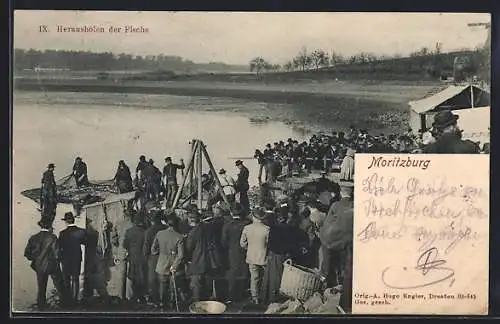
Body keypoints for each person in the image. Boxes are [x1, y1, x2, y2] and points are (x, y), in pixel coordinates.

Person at [318, 182, 354, 290]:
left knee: (327, 262)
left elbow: (327, 223)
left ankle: (324, 281)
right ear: (351, 193)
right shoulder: (355, 206)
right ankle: (341, 283)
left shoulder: (335, 205)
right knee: (343, 264)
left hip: (331, 240)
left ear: (341, 193)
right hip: (347, 242)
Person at [24, 220, 66, 310]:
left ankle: (41, 305)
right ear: (50, 227)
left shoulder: (33, 238)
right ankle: (64, 303)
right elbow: (57, 254)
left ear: (41, 227)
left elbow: (27, 254)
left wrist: (36, 258)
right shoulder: (53, 237)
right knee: (59, 284)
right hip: (52, 265)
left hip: (39, 266)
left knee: (41, 286)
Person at [185, 210, 223, 302]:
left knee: (196, 285)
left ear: (191, 220)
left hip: (198, 262)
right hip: (211, 261)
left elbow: (189, 248)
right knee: (208, 285)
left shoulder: (194, 232)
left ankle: (197, 304)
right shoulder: (209, 227)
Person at [151, 213, 185, 310]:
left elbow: (153, 250)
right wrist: (174, 265)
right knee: (173, 289)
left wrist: (161, 252)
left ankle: (162, 306)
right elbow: (181, 255)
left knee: (162, 287)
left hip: (161, 264)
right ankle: (173, 307)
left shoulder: (159, 234)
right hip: (174, 266)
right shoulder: (179, 237)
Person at [221, 203, 251, 303]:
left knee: (232, 273)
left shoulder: (227, 226)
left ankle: (232, 295)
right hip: (244, 251)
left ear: (231, 212)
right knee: (243, 271)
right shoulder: (247, 224)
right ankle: (241, 292)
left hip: (231, 252)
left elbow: (223, 242)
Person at [240, 207, 270, 305]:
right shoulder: (267, 229)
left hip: (251, 256)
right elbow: (269, 243)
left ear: (253, 217)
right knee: (265, 277)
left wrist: (248, 248)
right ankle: (265, 295)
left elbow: (242, 244)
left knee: (254, 277)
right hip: (264, 256)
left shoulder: (247, 228)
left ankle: (255, 297)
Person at [58, 212, 86, 306]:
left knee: (66, 280)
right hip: (76, 259)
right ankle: (74, 300)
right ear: (73, 220)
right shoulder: (81, 231)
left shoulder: (62, 233)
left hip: (65, 260)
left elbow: (59, 247)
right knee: (75, 279)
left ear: (66, 222)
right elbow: (87, 242)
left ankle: (67, 300)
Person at [142, 211, 167, 305]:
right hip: (165, 256)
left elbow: (146, 247)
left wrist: (145, 256)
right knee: (163, 279)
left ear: (152, 220)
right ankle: (164, 300)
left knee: (153, 279)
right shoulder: (166, 228)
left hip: (153, 258)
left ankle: (156, 300)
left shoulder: (149, 231)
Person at [123, 214, 148, 303]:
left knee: (132, 277)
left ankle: (133, 296)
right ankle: (140, 296)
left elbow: (124, 245)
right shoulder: (145, 231)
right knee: (141, 277)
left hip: (132, 257)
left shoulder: (129, 231)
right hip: (142, 257)